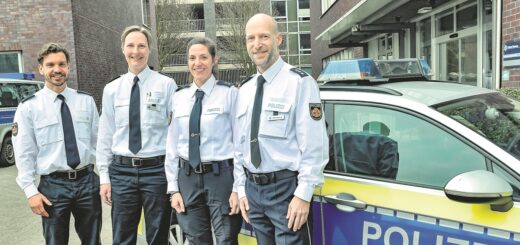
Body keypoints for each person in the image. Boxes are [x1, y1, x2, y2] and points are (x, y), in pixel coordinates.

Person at [233, 13, 329, 245]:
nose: (257, 44)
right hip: (253, 190)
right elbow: (239, 146)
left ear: (278, 39)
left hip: (286, 191)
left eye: (264, 36)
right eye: (251, 38)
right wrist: (241, 188)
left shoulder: (300, 83)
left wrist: (303, 195)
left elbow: (315, 145)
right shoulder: (244, 89)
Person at [13, 43, 101, 244]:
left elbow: (99, 144)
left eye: (62, 64)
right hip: (53, 186)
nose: (57, 70)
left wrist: (104, 178)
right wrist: (30, 191)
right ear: (41, 69)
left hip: (87, 181)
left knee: (93, 241)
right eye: (50, 64)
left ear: (68, 67)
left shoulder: (85, 101)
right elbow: (24, 153)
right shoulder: (29, 107)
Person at [96, 25, 177, 244]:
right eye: (131, 45)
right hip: (122, 172)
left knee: (158, 236)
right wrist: (104, 177)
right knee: (122, 237)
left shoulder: (166, 85)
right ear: (123, 49)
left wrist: (174, 177)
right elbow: (105, 135)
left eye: (141, 45)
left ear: (149, 49)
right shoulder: (111, 89)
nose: (136, 51)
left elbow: (175, 132)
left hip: (157, 171)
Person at [165, 37, 242, 245]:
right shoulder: (178, 97)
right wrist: (173, 189)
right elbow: (172, 146)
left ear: (214, 59)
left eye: (203, 57)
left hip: (221, 177)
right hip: (187, 178)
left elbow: (240, 144)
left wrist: (238, 188)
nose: (197, 63)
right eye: (192, 58)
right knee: (197, 240)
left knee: (227, 238)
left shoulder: (229, 94)